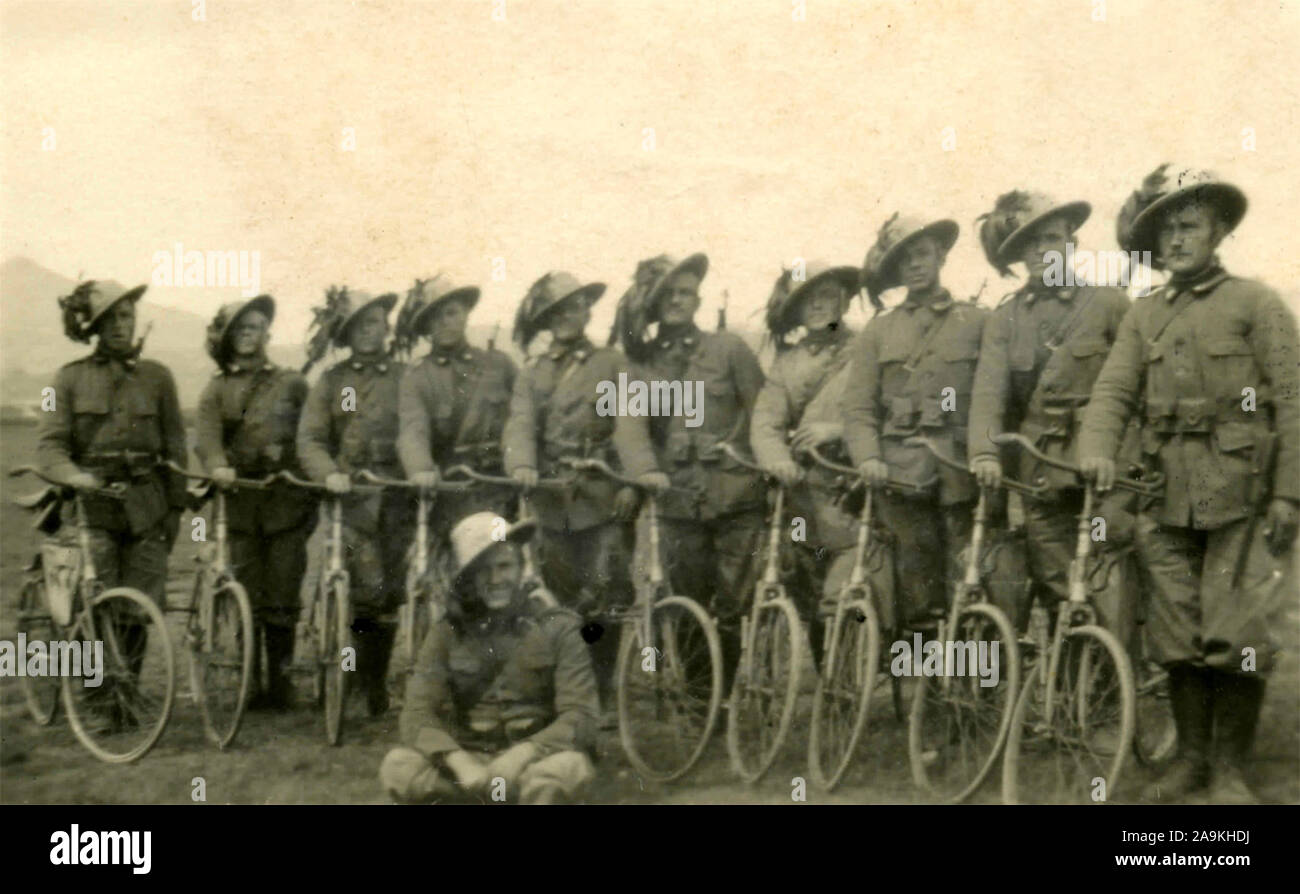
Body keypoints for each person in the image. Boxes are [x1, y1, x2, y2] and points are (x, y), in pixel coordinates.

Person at [1079, 165, 1300, 804]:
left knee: (1236, 634)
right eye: (1166, 231)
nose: (1176, 240)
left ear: (1218, 231)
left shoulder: (1256, 303)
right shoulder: (1145, 314)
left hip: (1241, 494)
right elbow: (1114, 391)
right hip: (1162, 492)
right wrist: (1096, 449)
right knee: (1176, 635)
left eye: (1189, 225)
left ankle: (1228, 770)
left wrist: (1289, 493)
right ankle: (1191, 761)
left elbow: (1291, 400)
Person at [968, 191, 1136, 636]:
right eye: (1031, 244)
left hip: (1105, 468)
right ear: (1020, 255)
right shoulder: (1004, 319)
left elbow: (1137, 384)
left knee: (1104, 577)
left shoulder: (1109, 305)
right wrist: (984, 453)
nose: (1042, 251)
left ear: (1072, 244)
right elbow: (989, 393)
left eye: (1052, 239)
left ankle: (1112, 676)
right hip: (1040, 469)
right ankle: (1069, 682)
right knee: (1054, 578)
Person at [501, 271, 658, 718]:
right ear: (547, 320)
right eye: (558, 312)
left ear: (588, 311)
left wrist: (635, 479)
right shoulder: (533, 373)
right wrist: (522, 464)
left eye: (576, 307)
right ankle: (570, 695)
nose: (569, 317)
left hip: (603, 499)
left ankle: (601, 695)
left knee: (605, 597)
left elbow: (631, 428)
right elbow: (520, 425)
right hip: (553, 502)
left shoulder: (611, 364)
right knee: (561, 601)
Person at [38, 280, 187, 726]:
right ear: (95, 326)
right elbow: (48, 447)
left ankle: (126, 695)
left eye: (128, 316)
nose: (123, 326)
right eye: (112, 319)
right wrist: (75, 477)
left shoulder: (159, 377)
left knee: (138, 606)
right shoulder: (67, 379)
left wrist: (175, 511)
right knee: (93, 600)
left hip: (147, 503)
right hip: (91, 505)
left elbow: (176, 450)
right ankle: (100, 702)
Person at [611, 253, 763, 685]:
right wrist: (645, 470)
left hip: (736, 494)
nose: (678, 301)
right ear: (653, 305)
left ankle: (729, 694)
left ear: (698, 300)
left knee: (734, 604)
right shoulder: (641, 366)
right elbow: (630, 427)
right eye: (668, 295)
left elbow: (762, 412)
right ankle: (702, 703)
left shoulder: (728, 349)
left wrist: (765, 465)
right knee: (687, 601)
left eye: (685, 293)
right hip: (678, 499)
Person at [380, 512, 599, 804]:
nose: (497, 579)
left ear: (521, 568)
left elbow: (580, 715)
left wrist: (522, 755)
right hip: (471, 768)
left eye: (505, 566)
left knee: (569, 767)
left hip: (533, 765)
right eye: (483, 570)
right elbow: (416, 713)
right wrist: (459, 761)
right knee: (398, 767)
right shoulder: (446, 633)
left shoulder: (559, 628)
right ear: (467, 579)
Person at [843, 214, 987, 628]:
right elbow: (858, 407)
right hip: (901, 477)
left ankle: (972, 687)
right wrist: (868, 456)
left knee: (970, 588)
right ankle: (919, 686)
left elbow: (996, 397)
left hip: (962, 475)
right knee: (915, 593)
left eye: (922, 254)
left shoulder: (977, 322)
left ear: (941, 255)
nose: (915, 265)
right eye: (904, 260)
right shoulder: (879, 331)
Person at [195, 295, 317, 711]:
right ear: (229, 339)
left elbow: (313, 433)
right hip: (241, 505)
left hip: (287, 503)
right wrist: (217, 465)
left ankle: (280, 687)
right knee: (246, 594)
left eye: (256, 328)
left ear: (268, 333)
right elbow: (207, 438)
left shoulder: (292, 383)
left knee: (283, 594)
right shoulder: (216, 388)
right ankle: (249, 684)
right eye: (241, 330)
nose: (249, 336)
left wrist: (309, 478)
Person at [297, 288, 411, 716]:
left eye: (376, 323)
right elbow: (310, 438)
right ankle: (359, 681)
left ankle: (376, 682)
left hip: (398, 498)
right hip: (351, 501)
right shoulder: (332, 381)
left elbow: (421, 430)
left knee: (390, 596)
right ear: (347, 331)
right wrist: (329, 473)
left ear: (387, 328)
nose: (370, 331)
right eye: (361, 324)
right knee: (363, 592)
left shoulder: (406, 377)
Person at [749, 261, 861, 664]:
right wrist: (778, 461)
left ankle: (852, 670)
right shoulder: (787, 364)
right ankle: (830, 679)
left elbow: (885, 410)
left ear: (844, 301)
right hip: (803, 495)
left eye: (827, 297)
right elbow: (766, 422)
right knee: (807, 588)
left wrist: (839, 430)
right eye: (808, 301)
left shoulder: (866, 349)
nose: (818, 307)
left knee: (846, 589)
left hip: (853, 488)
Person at [397, 273, 519, 537]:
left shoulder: (499, 365)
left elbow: (522, 420)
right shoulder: (418, 376)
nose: (444, 323)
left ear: (466, 314)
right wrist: (420, 468)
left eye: (451, 313)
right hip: (450, 490)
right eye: (435, 318)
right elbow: (412, 430)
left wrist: (521, 464)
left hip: (499, 486)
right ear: (427, 329)